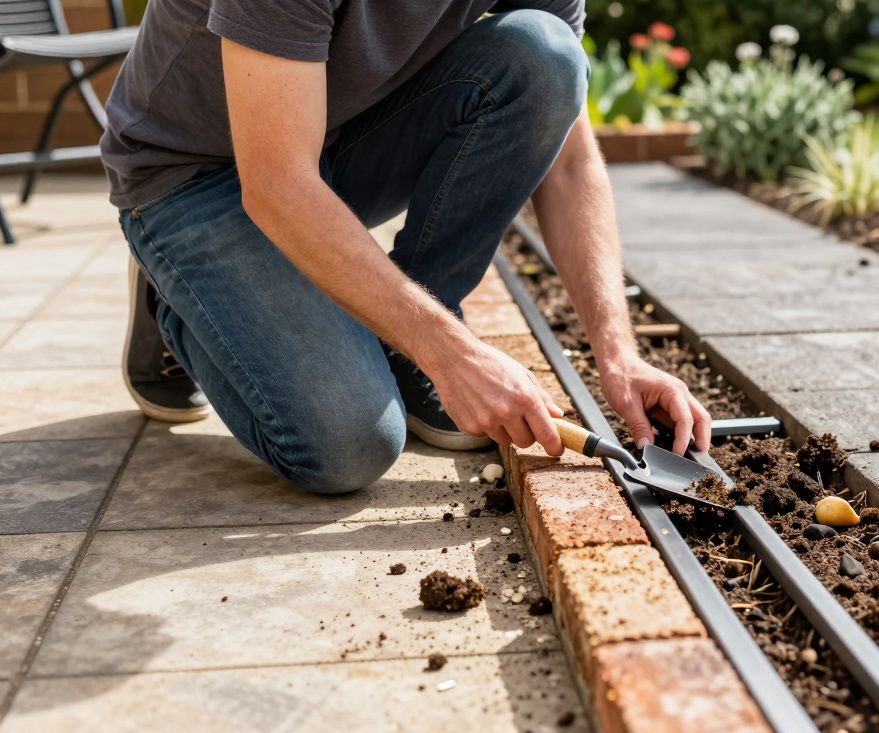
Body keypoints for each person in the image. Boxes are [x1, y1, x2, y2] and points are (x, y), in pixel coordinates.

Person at [102, 0, 711, 493]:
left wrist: (618, 354)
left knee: (544, 56)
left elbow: (571, 162)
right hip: (194, 176)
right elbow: (277, 185)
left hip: (336, 142)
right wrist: (455, 357)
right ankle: (174, 294)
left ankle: (410, 342)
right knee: (347, 449)